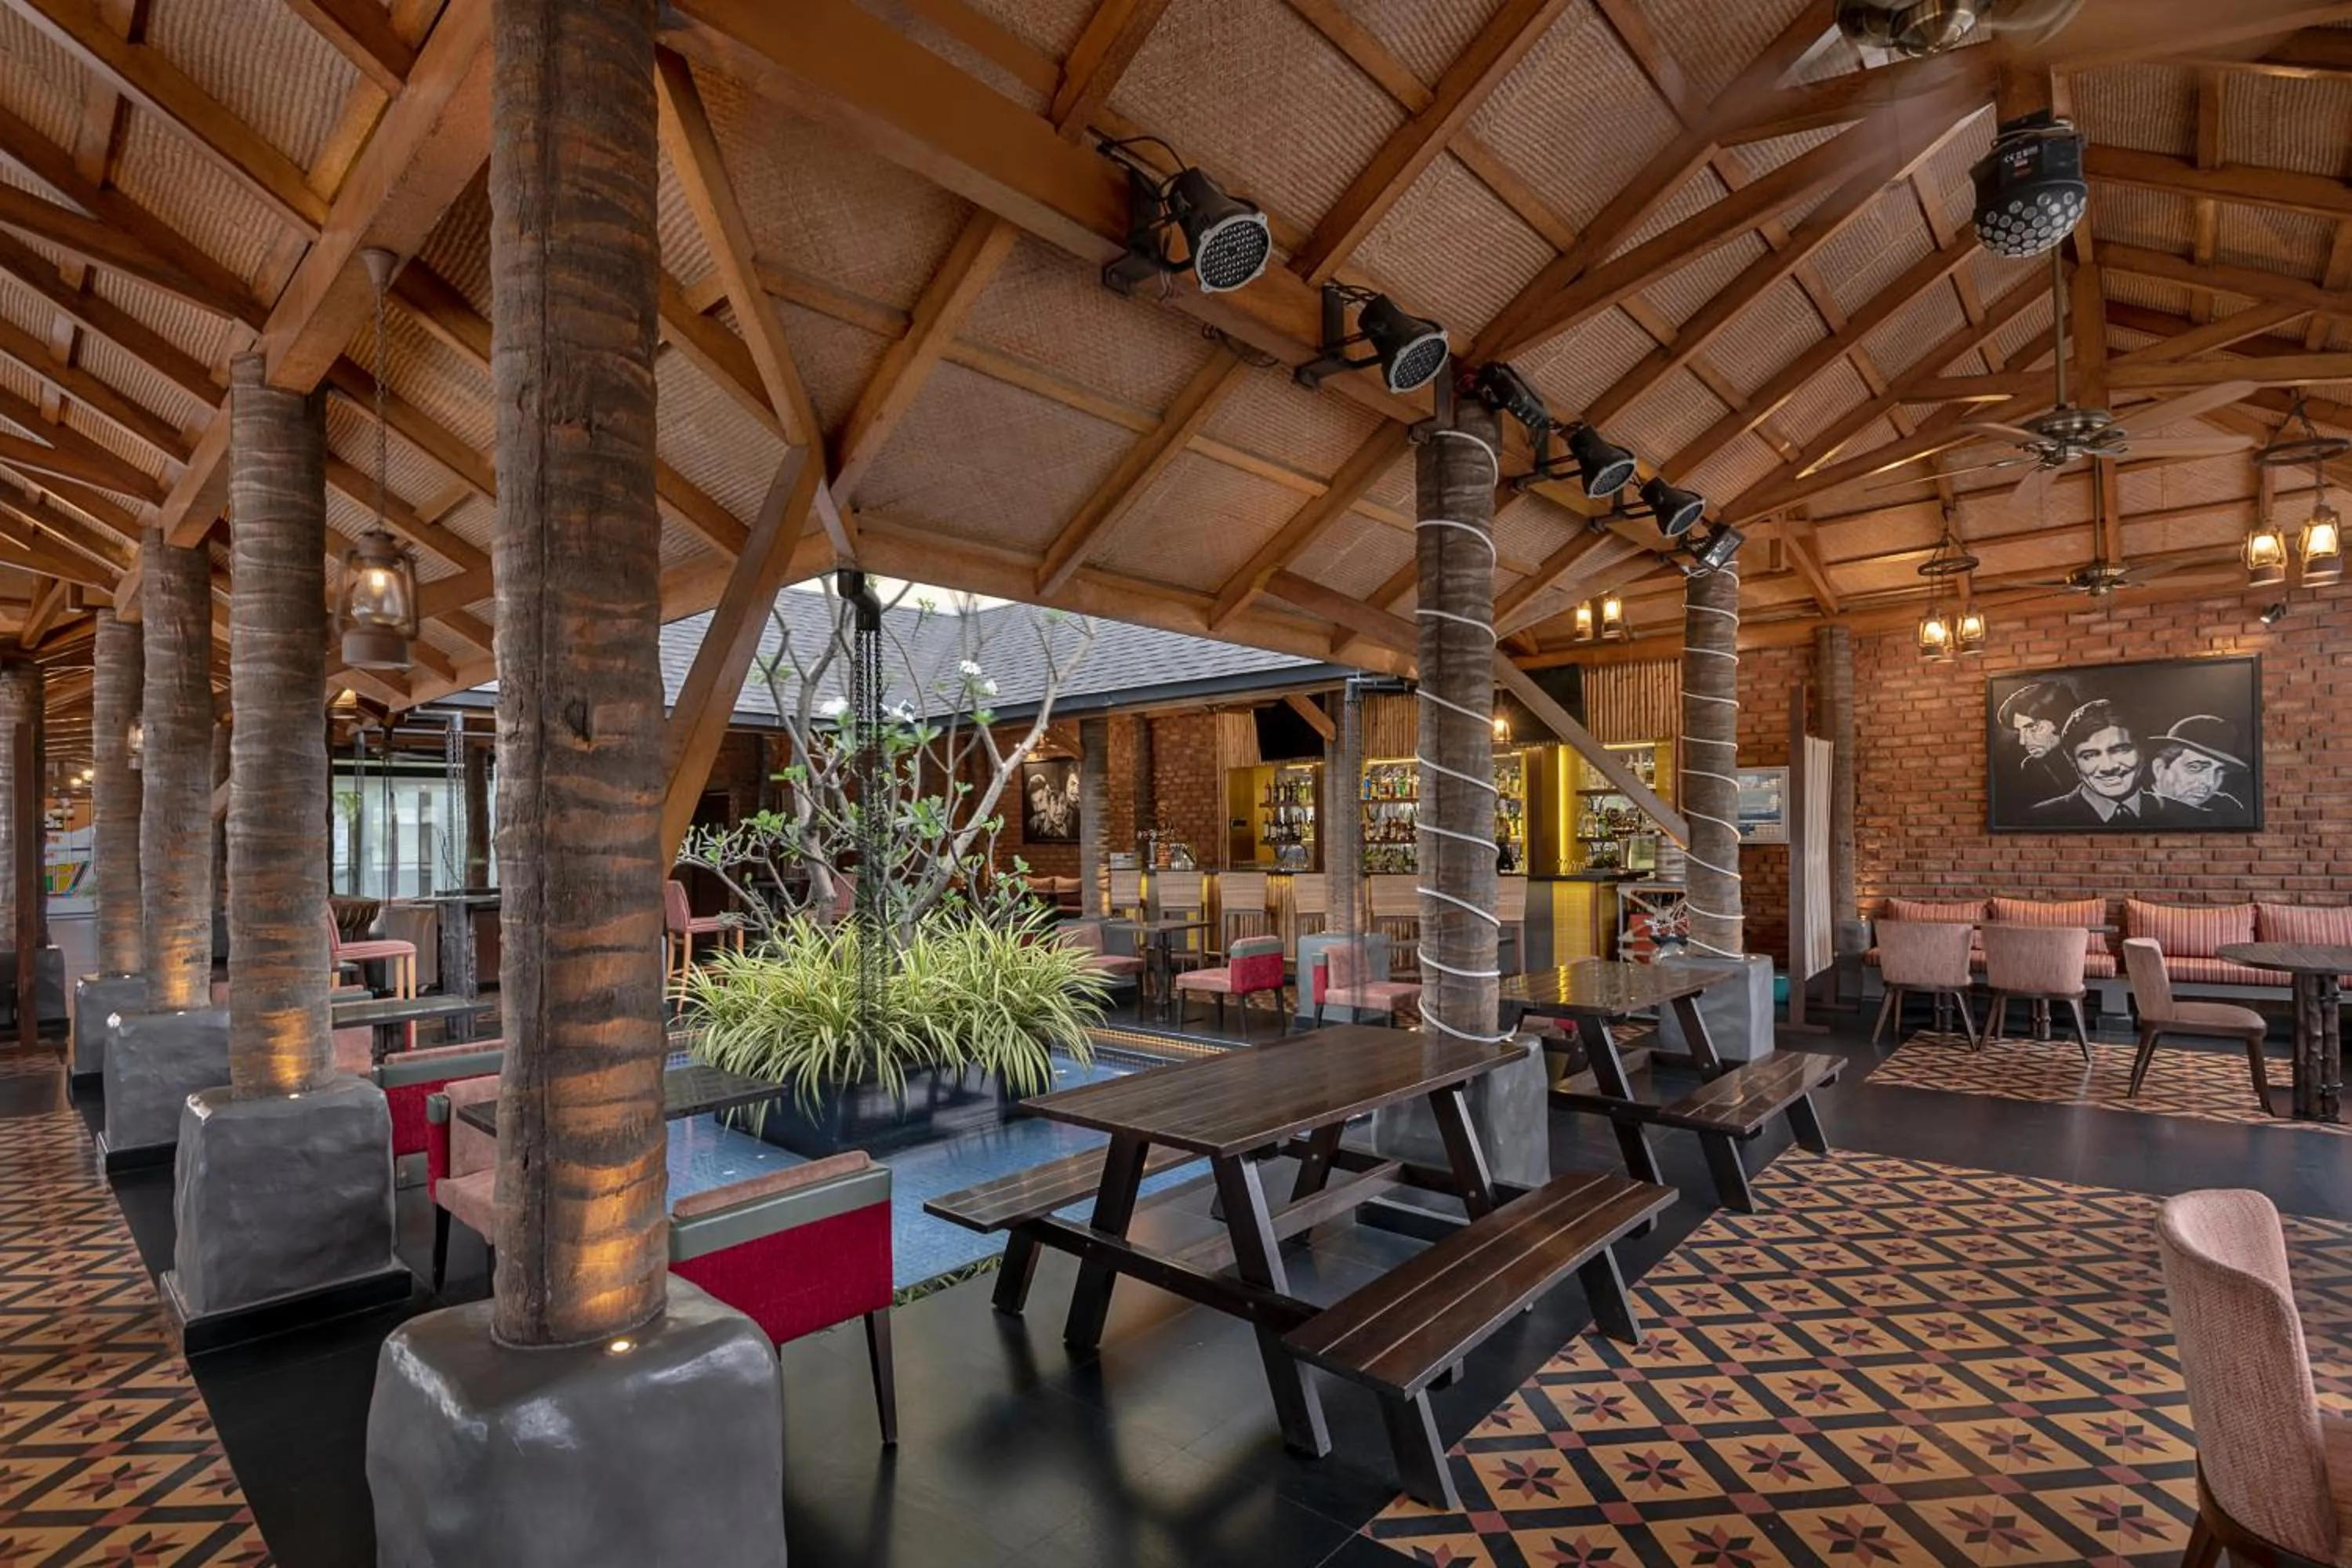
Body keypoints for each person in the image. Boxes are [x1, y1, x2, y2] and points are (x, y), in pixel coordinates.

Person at [2028, 699, 2158, 826]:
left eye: (2121, 750)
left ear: (2142, 752)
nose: (2108, 767)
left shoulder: (2174, 812)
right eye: (2089, 756)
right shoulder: (2040, 819)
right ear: (2073, 762)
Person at [2147, 714, 2249, 823]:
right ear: (2159, 768)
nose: (2210, 782)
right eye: (2195, 767)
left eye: (2219, 771)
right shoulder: (2136, 810)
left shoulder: (2227, 809)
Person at [1995, 678, 2078, 805]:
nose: (2023, 741)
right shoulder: (2032, 768)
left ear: (2062, 722)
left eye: (2033, 728)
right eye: (2019, 732)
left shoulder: (2098, 759)